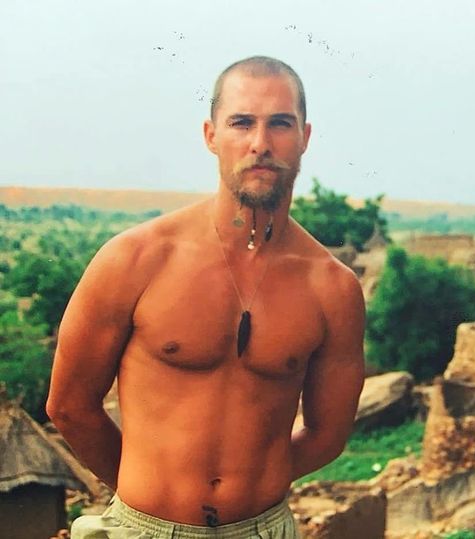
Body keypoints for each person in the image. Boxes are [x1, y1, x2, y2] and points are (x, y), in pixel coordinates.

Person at [46, 56, 366, 538]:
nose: (260, 143)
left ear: (304, 137)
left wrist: (253, 488)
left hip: (263, 529)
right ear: (211, 135)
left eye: (280, 124)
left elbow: (328, 434)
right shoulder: (137, 259)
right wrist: (148, 501)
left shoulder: (331, 287)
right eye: (242, 122)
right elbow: (70, 406)